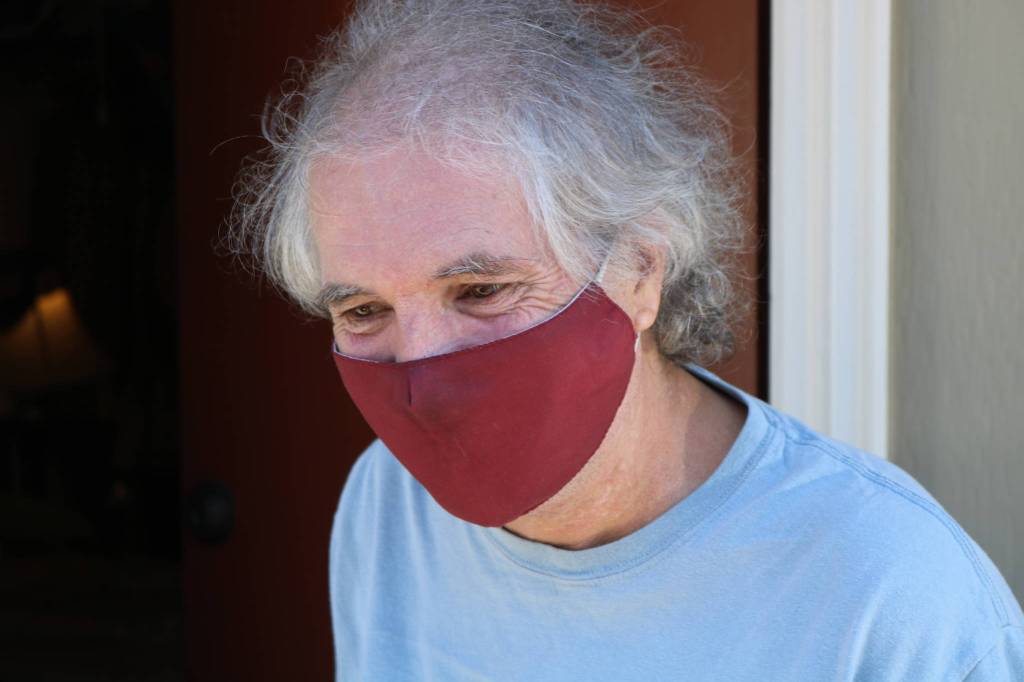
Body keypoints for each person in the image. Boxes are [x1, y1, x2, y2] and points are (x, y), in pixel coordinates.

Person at [228, 0, 1024, 679]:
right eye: (363, 310)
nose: (422, 371)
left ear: (640, 271)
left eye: (481, 290)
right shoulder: (386, 504)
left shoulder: (887, 590)